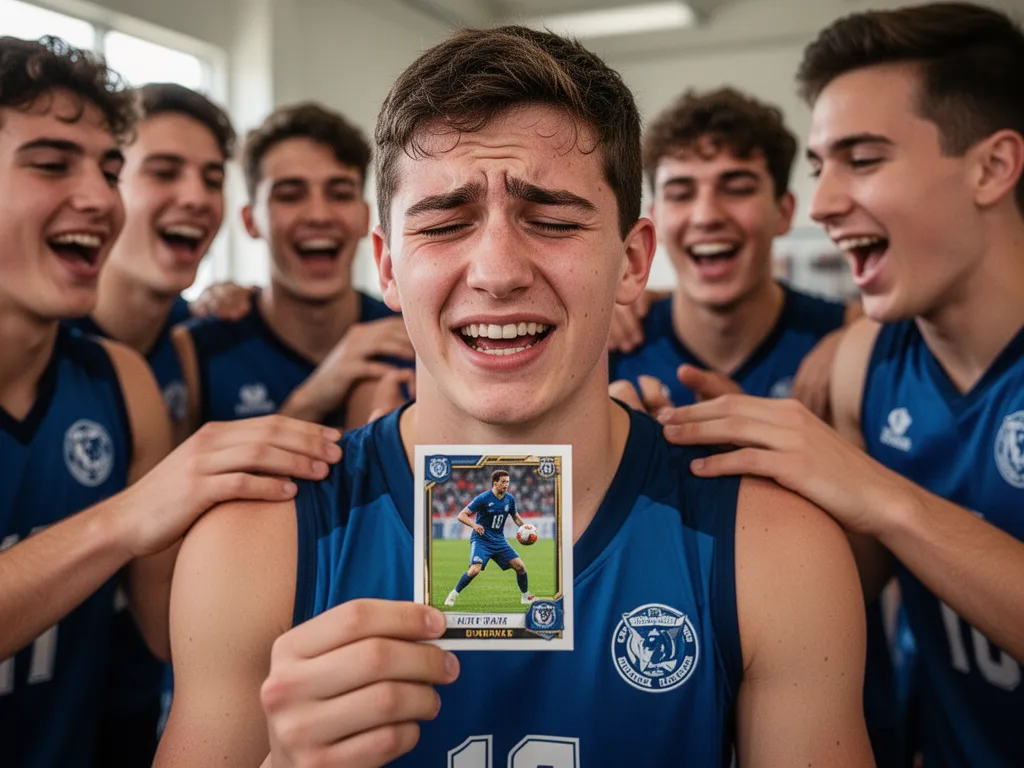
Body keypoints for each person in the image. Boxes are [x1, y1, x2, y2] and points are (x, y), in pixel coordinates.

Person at [155, 25, 871, 768]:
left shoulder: (774, 547)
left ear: (632, 263)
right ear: (387, 268)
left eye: (554, 220)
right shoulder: (252, 542)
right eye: (444, 223)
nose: (497, 270)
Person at [658, 4, 1024, 766]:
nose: (821, 205)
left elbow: (888, 514)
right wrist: (739, 484)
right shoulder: (861, 362)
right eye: (822, 166)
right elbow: (851, 586)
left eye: (863, 159)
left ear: (992, 167)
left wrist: (880, 495)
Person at [0, 35, 341, 767]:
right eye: (53, 164)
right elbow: (137, 520)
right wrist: (130, 513)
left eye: (109, 168)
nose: (98, 195)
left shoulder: (122, 382)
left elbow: (173, 630)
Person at [61, 82, 236, 766]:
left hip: (132, 712)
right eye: (164, 172)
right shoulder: (53, 344)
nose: (195, 195)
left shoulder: (191, 341)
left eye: (212, 178)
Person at [609, 87, 856, 419]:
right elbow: (517, 469)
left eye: (737, 189)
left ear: (783, 212)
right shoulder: (610, 346)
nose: (706, 216)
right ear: (657, 221)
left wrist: (865, 336)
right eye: (681, 194)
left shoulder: (850, 345)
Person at [173, 103, 413, 432]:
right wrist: (310, 399)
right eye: (289, 195)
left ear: (363, 216)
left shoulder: (410, 335)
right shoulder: (200, 347)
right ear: (250, 220)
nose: (318, 214)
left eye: (340, 194)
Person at [444, 470, 534, 607]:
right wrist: (474, 525)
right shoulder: (483, 498)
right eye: (503, 482)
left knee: (520, 566)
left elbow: (514, 516)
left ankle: (525, 596)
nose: (506, 485)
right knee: (475, 570)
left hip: (499, 540)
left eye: (508, 482)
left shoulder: (509, 499)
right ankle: (453, 594)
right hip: (481, 540)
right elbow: (461, 515)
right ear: (495, 482)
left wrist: (525, 527)